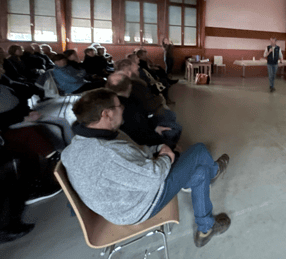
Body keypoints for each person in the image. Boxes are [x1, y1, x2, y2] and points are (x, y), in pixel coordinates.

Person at [62, 89, 231, 247]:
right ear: (106, 114)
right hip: (136, 207)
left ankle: (206, 228)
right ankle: (214, 171)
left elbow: (133, 155)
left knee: (200, 172)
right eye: (119, 106)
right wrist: (166, 156)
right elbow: (153, 178)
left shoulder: (74, 148)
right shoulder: (108, 153)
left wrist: (158, 148)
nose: (123, 108)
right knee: (199, 151)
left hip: (117, 202)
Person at [106, 73, 181, 150]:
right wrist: (169, 145)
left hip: (136, 139)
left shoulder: (109, 104)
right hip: (143, 146)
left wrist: (155, 127)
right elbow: (142, 135)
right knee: (174, 129)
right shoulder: (129, 107)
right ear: (129, 86)